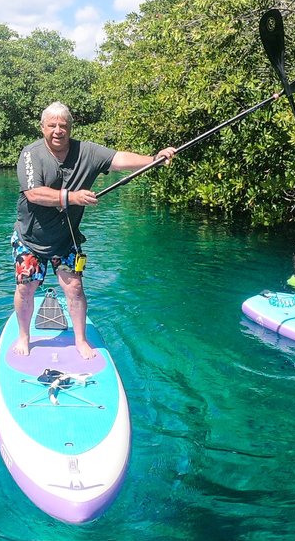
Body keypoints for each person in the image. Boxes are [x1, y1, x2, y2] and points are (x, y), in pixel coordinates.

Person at [12, 102, 177, 359]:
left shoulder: (86, 151)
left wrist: (153, 159)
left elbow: (117, 158)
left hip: (66, 240)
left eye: (63, 125)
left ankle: (80, 340)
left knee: (75, 288)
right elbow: (34, 194)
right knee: (26, 287)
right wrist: (72, 197)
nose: (58, 130)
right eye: (52, 125)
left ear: (70, 128)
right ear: (42, 127)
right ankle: (24, 336)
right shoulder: (30, 154)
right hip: (30, 240)